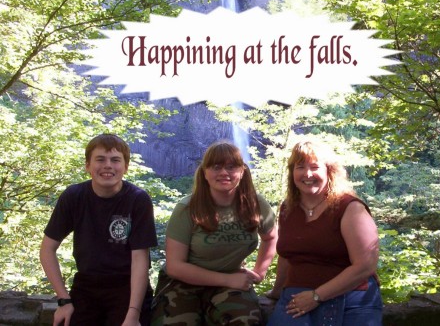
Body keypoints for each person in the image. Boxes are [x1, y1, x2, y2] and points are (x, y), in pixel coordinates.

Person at [150, 141, 278, 325]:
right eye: (216, 167)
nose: (224, 173)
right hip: (184, 282)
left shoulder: (255, 205)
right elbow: (175, 266)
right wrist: (227, 280)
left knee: (244, 321)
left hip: (231, 280)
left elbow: (271, 237)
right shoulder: (188, 208)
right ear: (205, 172)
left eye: (231, 167)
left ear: (242, 171)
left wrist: (260, 272)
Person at [40, 133, 158, 326]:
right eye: (100, 159)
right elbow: (47, 249)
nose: (108, 165)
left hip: (127, 287)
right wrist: (64, 300)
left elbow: (140, 259)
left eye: (115, 160)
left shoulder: (137, 199)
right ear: (88, 166)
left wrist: (133, 315)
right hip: (86, 285)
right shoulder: (74, 196)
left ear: (125, 167)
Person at [267, 139, 382, 326]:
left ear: (329, 171)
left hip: (352, 297)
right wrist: (277, 292)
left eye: (315, 167)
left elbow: (365, 266)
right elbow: (287, 256)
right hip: (297, 297)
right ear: (292, 173)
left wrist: (316, 296)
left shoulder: (351, 208)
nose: (307, 174)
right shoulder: (288, 209)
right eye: (300, 167)